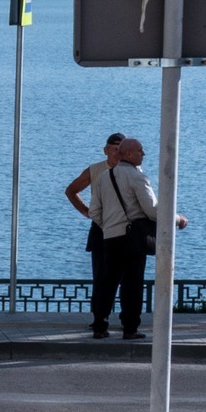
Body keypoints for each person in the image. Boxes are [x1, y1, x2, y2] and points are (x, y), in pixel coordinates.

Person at [89, 136, 188, 341]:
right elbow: (153, 211)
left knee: (108, 283)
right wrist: (178, 219)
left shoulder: (104, 177)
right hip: (132, 239)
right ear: (128, 154)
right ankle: (130, 328)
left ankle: (99, 326)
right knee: (132, 284)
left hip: (110, 238)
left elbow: (95, 211)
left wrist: (109, 226)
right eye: (140, 150)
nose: (144, 153)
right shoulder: (137, 177)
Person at [66, 133, 124, 336]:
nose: (117, 153)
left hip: (125, 229)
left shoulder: (131, 171)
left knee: (127, 277)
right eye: (114, 148)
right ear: (106, 150)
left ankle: (127, 320)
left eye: (121, 149)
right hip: (101, 228)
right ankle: (99, 320)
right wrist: (87, 212)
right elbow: (71, 190)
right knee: (101, 277)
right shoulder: (96, 170)